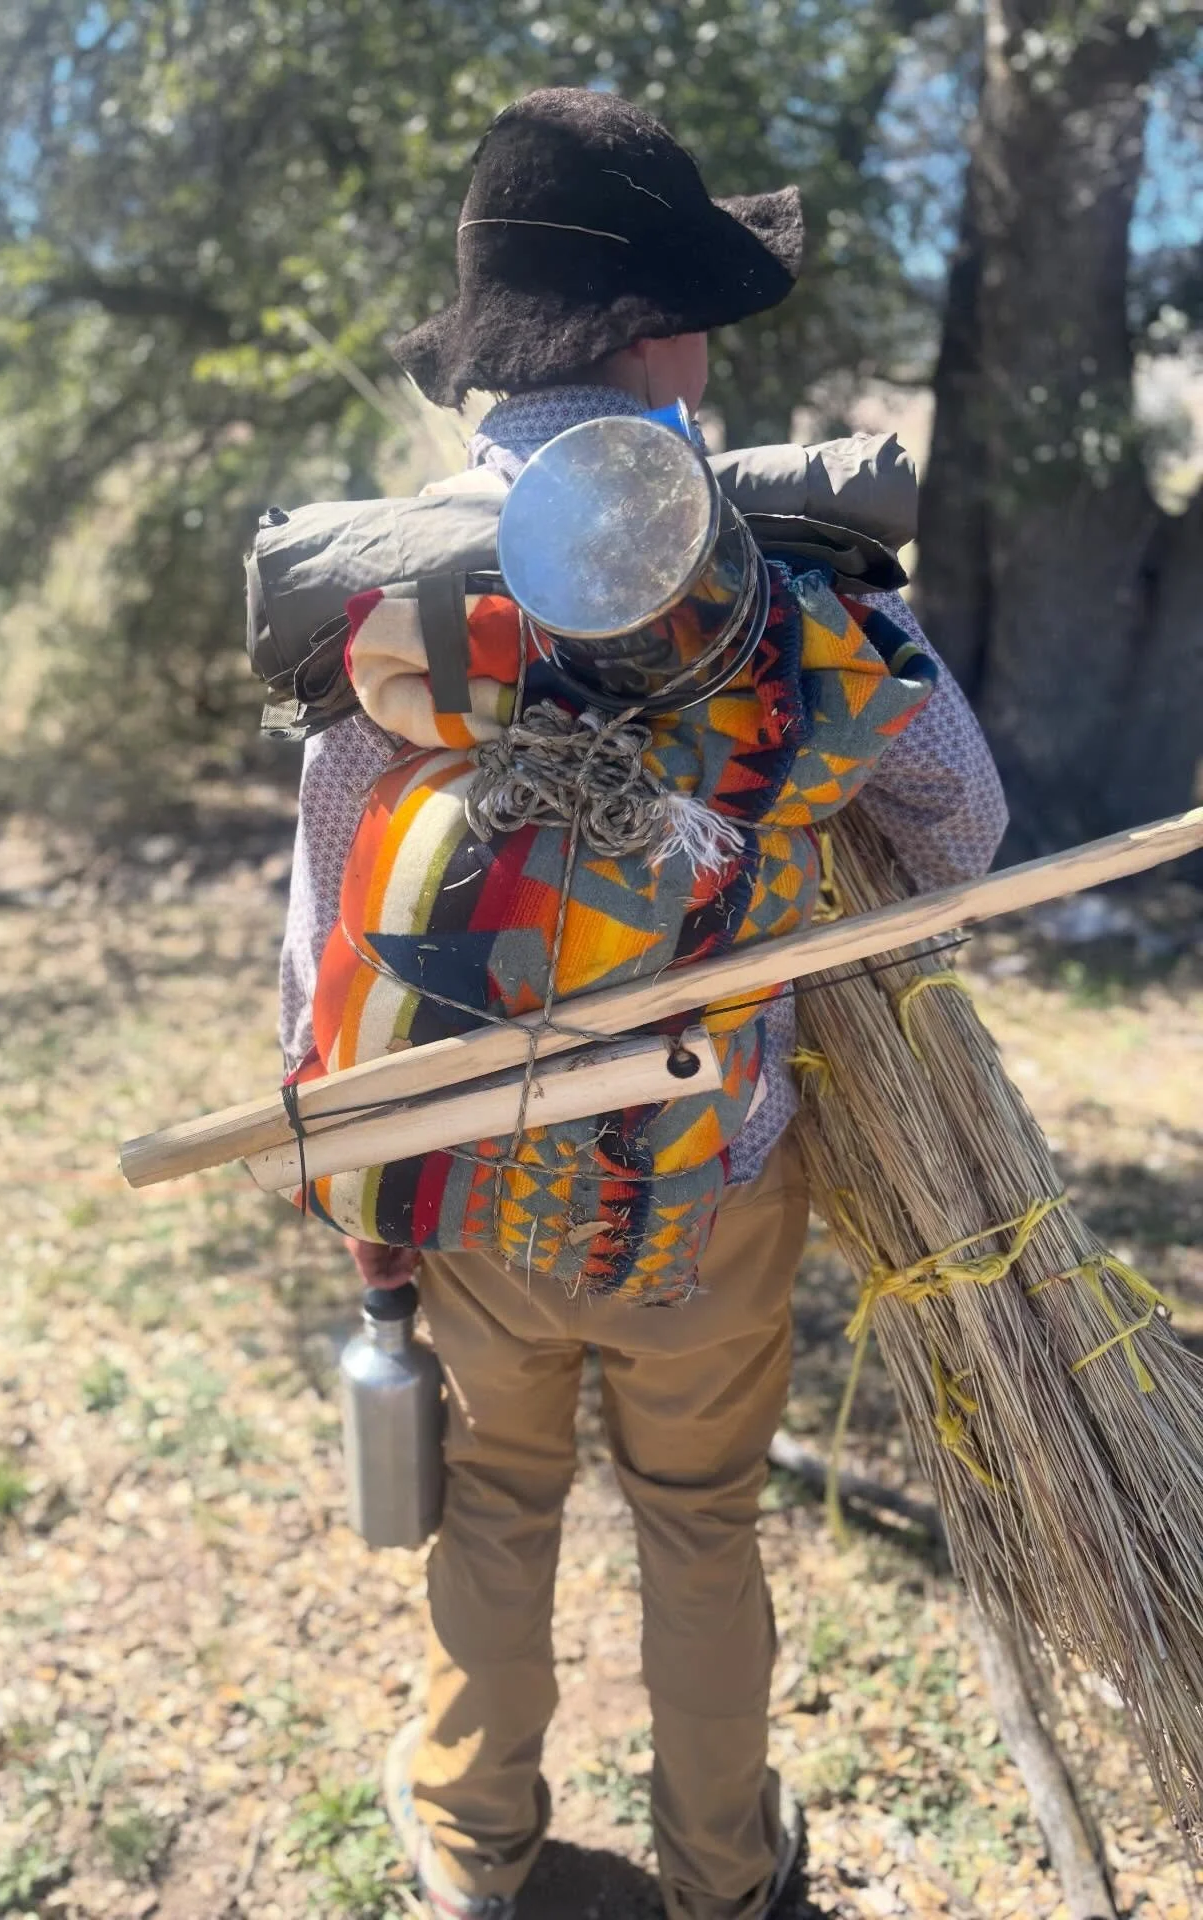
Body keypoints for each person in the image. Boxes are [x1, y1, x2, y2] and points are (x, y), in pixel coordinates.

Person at [276, 88, 1007, 1920]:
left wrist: (355, 1195)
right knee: (700, 1527)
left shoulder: (387, 601)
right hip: (708, 1174)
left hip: (464, 1182)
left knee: (496, 1509)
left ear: (487, 357)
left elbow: (330, 927)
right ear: (660, 335)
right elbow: (967, 824)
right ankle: (721, 1872)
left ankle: (476, 1840)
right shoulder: (797, 589)